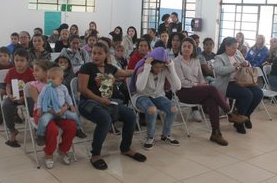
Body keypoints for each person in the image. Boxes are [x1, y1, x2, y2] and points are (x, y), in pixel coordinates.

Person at [78, 42, 146, 170]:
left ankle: (125, 148)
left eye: (99, 53)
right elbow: (82, 90)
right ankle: (96, 155)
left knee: (131, 116)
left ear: (106, 55)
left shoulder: (110, 68)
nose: (96, 56)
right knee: (105, 119)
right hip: (88, 103)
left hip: (108, 103)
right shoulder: (87, 67)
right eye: (94, 53)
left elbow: (125, 73)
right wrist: (100, 99)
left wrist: (141, 69)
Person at [174, 38, 248, 145]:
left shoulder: (195, 60)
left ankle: (215, 133)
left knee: (212, 101)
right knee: (212, 89)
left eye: (189, 47)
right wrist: (198, 85)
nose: (186, 49)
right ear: (181, 48)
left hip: (197, 90)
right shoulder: (176, 61)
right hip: (184, 92)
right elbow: (181, 82)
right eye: (184, 46)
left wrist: (203, 83)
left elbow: (201, 77)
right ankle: (230, 113)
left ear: (193, 49)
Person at [130, 48, 181, 150]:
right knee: (152, 110)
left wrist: (172, 67)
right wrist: (147, 67)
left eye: (161, 67)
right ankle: (150, 137)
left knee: (173, 109)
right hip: (141, 96)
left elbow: (178, 86)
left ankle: (165, 135)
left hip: (158, 95)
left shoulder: (164, 70)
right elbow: (140, 88)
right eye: (156, 67)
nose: (159, 70)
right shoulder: (143, 68)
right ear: (151, 64)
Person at [29, 60, 77, 169]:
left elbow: (65, 99)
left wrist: (65, 108)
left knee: (71, 126)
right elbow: (39, 101)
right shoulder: (33, 85)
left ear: (46, 72)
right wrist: (53, 111)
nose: (34, 73)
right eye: (33, 70)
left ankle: (63, 150)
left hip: (59, 112)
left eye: (37, 70)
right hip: (42, 113)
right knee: (52, 130)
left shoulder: (59, 84)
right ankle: (49, 153)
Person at [213, 37, 263, 134]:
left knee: (258, 93)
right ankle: (238, 121)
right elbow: (219, 70)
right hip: (226, 84)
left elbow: (246, 63)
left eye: (236, 47)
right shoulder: (219, 57)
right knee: (247, 94)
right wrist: (234, 67)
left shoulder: (238, 54)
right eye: (233, 47)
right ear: (226, 46)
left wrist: (246, 64)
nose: (235, 50)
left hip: (241, 81)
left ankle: (246, 116)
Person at [36, 67, 86, 146]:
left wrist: (71, 105)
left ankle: (78, 129)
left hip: (63, 111)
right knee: (43, 120)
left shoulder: (63, 88)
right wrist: (39, 108)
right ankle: (40, 135)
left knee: (75, 115)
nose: (50, 80)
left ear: (61, 79)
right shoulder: (46, 88)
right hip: (50, 110)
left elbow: (67, 97)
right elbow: (40, 98)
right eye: (48, 78)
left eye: (53, 78)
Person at [2, 48, 35, 147]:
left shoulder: (31, 72)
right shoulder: (11, 71)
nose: (19, 63)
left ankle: (37, 127)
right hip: (14, 97)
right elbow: (7, 85)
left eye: (22, 60)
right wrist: (9, 95)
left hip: (27, 97)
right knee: (5, 106)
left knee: (34, 103)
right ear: (13, 60)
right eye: (17, 60)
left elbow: (33, 87)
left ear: (27, 61)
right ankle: (12, 130)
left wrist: (24, 97)